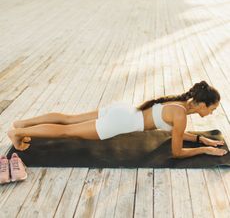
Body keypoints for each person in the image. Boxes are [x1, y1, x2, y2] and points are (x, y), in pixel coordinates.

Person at [7, 80, 228, 158]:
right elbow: (176, 152)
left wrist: (202, 140)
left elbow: (174, 133)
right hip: (119, 123)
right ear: (201, 105)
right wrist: (206, 151)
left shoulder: (179, 104)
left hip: (122, 111)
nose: (213, 112)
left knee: (67, 119)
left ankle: (22, 123)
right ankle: (18, 132)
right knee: (67, 131)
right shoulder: (181, 116)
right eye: (213, 108)